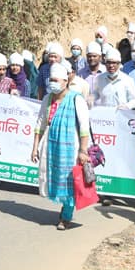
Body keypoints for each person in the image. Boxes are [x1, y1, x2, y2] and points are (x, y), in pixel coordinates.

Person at [31, 63, 91, 230]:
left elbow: (84, 127)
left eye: (56, 80)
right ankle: (64, 208)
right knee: (54, 176)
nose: (52, 83)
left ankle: (66, 215)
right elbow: (40, 123)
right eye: (51, 80)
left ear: (66, 81)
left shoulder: (76, 99)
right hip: (51, 144)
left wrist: (83, 151)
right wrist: (35, 147)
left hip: (70, 145)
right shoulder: (47, 99)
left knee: (69, 180)